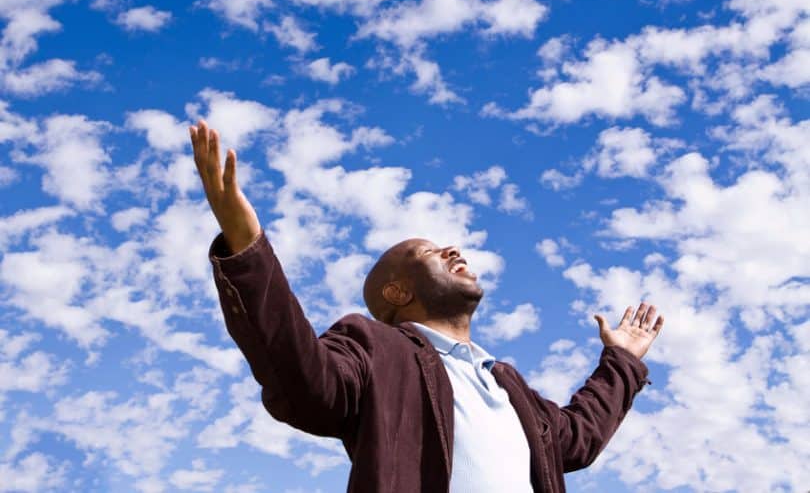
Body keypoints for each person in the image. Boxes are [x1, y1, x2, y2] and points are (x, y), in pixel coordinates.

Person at [190, 119, 664, 492]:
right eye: (430, 253)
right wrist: (246, 246)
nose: (453, 250)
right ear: (398, 293)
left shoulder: (504, 383)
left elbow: (575, 438)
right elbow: (302, 376)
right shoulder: (373, 348)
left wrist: (620, 361)